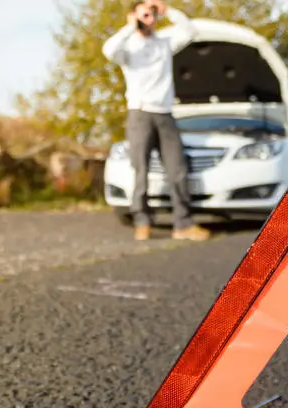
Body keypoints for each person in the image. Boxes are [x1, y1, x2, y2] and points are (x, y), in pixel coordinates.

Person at [102, 0, 211, 241]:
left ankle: (182, 224)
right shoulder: (128, 48)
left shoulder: (163, 43)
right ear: (133, 16)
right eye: (144, 14)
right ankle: (142, 220)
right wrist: (131, 26)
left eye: (151, 14)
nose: (149, 18)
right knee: (140, 170)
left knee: (177, 169)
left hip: (165, 114)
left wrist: (167, 10)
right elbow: (108, 50)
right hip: (140, 114)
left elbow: (190, 31)